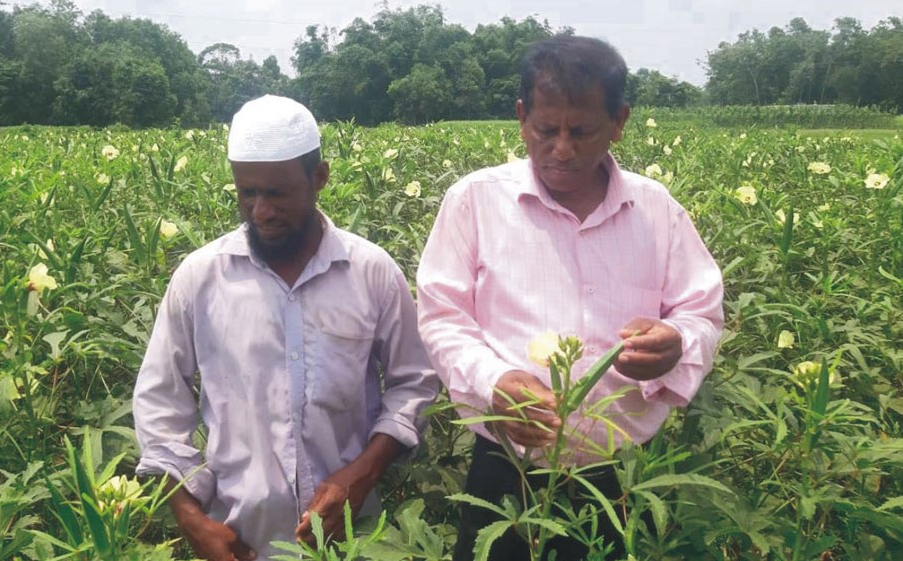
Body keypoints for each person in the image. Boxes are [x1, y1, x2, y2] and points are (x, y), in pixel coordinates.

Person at [416, 35, 724, 560]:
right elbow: (443, 318)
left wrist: (677, 342)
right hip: (508, 472)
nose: (562, 149)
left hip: (621, 479)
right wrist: (494, 382)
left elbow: (701, 312)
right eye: (545, 129)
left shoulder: (656, 210)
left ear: (619, 121)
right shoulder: (475, 200)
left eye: (581, 131)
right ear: (521, 117)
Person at [133, 94, 438, 561]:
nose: (260, 211)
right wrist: (191, 519)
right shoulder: (200, 278)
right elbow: (160, 402)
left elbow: (413, 382)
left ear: (320, 178)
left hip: (352, 539)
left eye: (277, 194)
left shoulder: (371, 272)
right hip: (240, 542)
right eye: (247, 193)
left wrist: (363, 474)